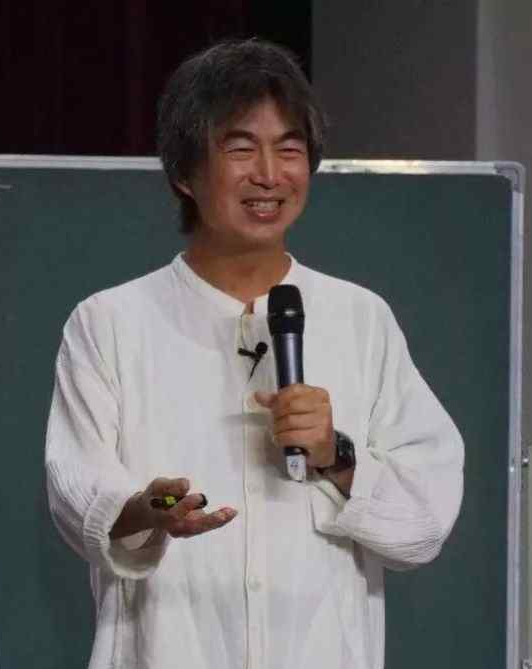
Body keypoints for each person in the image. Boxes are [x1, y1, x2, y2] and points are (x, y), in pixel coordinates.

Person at [45, 38, 464, 669]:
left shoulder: (361, 319)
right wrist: (156, 508)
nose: (269, 174)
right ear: (184, 173)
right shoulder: (110, 322)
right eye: (240, 148)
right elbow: (79, 492)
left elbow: (424, 522)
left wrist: (335, 455)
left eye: (289, 149)